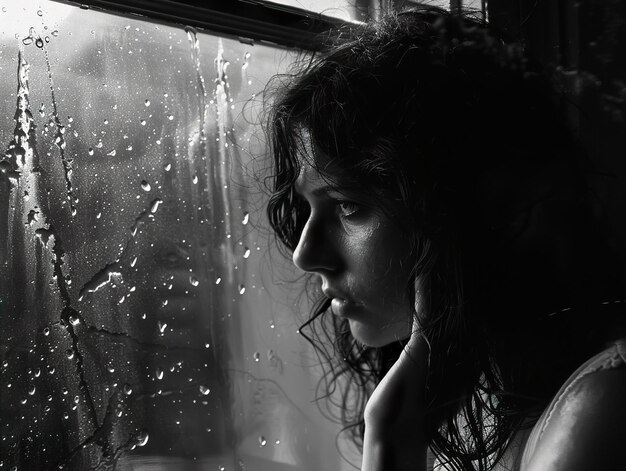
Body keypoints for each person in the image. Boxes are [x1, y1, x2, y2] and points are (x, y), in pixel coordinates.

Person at [265, 6, 626, 470]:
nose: (304, 254)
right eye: (306, 208)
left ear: (461, 207)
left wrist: (392, 435)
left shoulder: (598, 408)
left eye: (348, 205)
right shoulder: (478, 396)